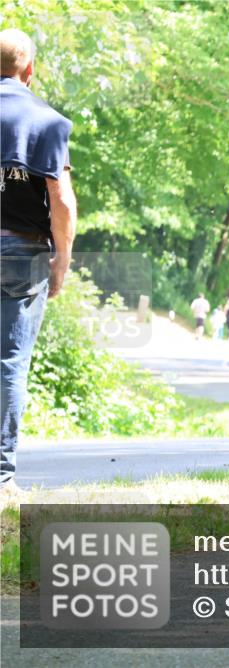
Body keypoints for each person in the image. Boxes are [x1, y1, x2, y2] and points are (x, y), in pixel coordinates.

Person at [1, 28, 76, 490]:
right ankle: (0, 476)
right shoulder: (47, 122)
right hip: (22, 252)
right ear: (29, 70)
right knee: (9, 362)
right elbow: (61, 199)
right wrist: (62, 259)